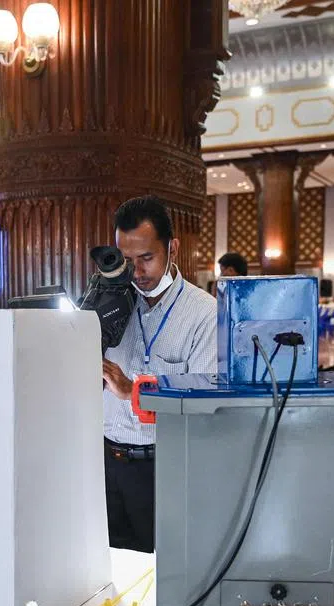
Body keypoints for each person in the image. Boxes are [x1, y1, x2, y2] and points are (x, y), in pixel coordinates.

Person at [102, 196, 217, 553]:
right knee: (107, 576)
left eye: (147, 258)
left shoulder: (205, 314)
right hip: (107, 463)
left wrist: (132, 389)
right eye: (127, 260)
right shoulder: (108, 304)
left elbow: (202, 401)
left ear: (173, 248)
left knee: (164, 576)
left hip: (166, 467)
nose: (136, 272)